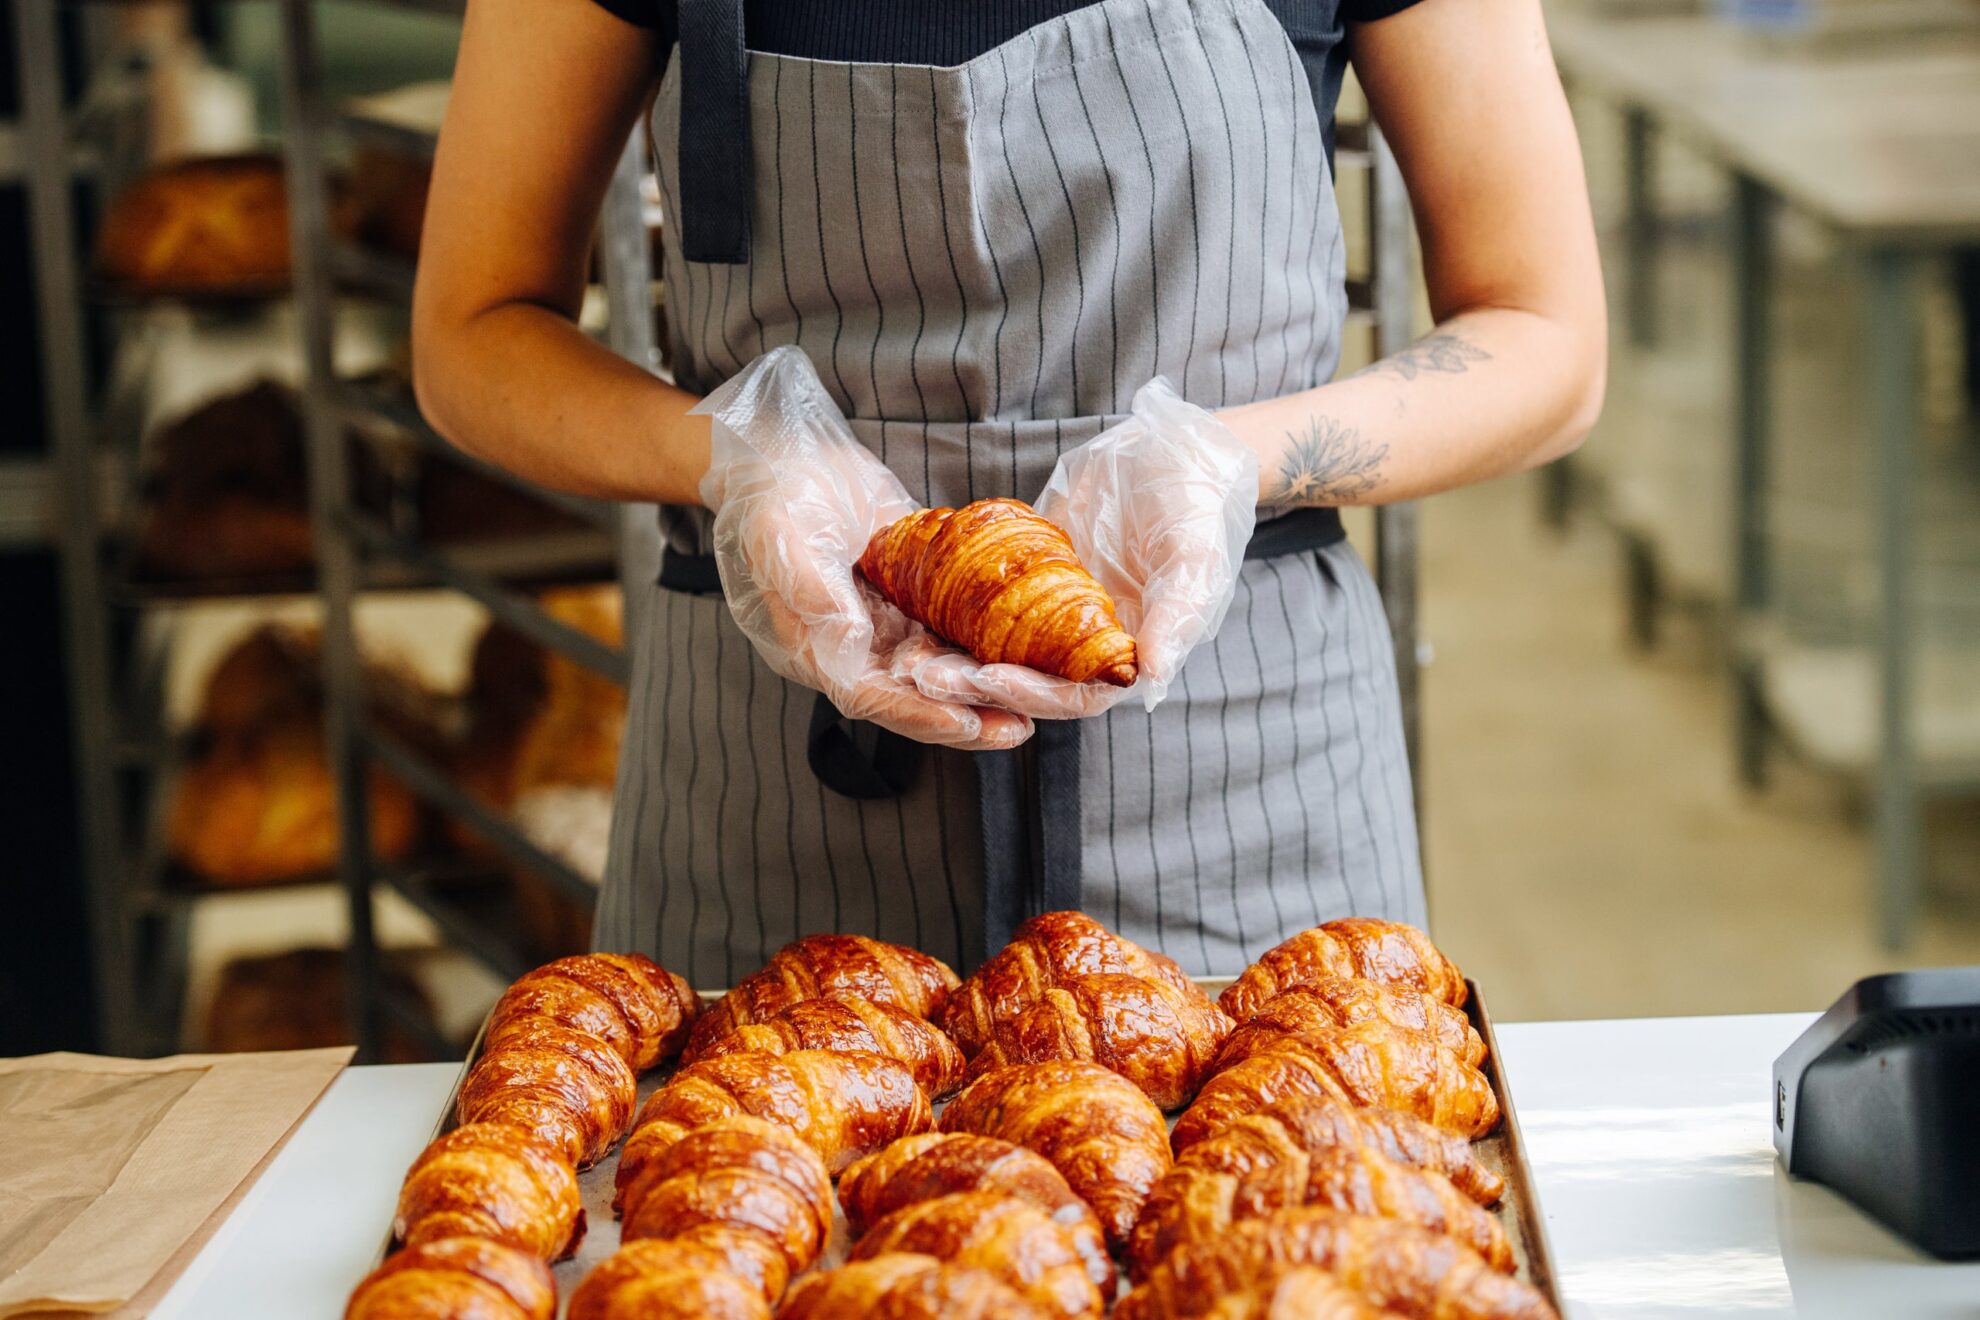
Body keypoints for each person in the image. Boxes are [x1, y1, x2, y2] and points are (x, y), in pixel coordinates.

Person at [411, 0, 1607, 984]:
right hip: (770, 781)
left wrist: (1231, 462)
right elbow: (472, 333)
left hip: (1238, 773)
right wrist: (734, 455)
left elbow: (1548, 337)